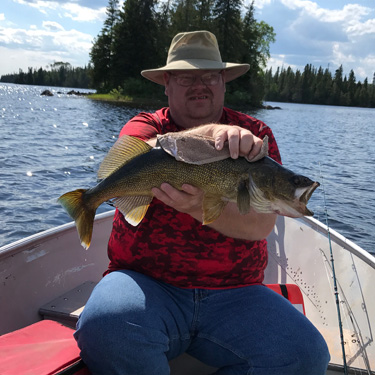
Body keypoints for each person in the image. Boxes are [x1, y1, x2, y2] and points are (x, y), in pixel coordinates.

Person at [74, 30, 330, 374]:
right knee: (104, 328)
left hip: (237, 295)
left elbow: (260, 226)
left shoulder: (256, 139)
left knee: (306, 355)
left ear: (223, 81)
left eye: (209, 75)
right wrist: (210, 135)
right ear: (166, 83)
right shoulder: (146, 126)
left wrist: (197, 207)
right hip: (144, 284)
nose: (200, 85)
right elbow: (128, 162)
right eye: (185, 77)